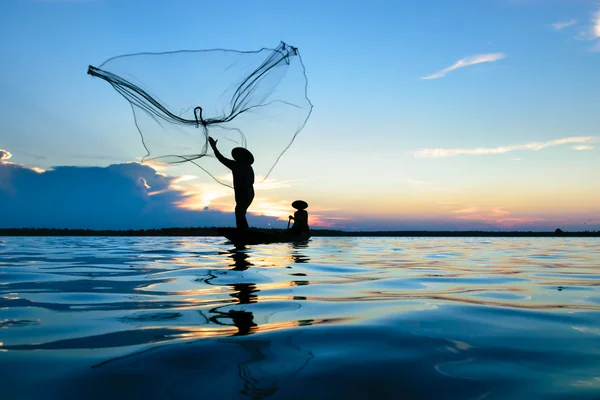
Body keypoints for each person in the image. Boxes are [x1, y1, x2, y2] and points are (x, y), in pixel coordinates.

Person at [208, 137, 254, 229]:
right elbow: (221, 158)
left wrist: (244, 189)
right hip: (239, 193)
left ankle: (243, 231)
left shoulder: (247, 167)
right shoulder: (234, 164)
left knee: (239, 210)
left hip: (247, 193)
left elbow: (250, 182)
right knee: (239, 211)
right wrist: (214, 148)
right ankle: (242, 230)